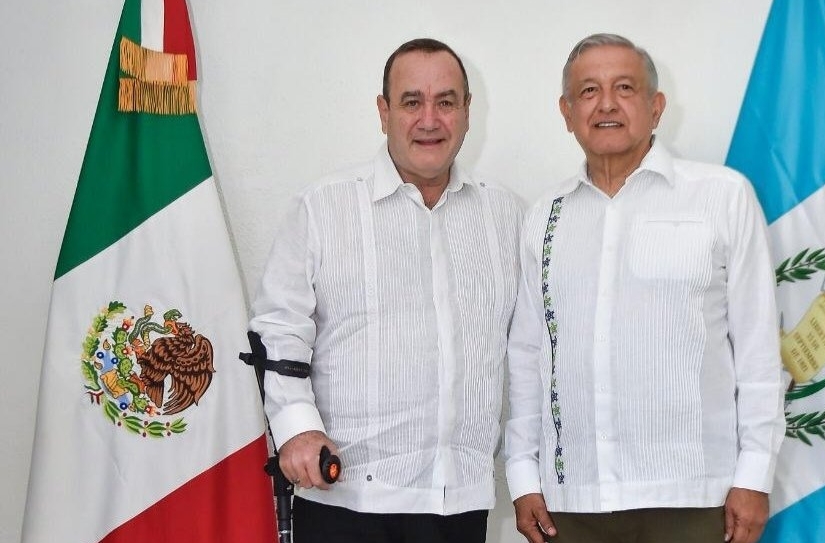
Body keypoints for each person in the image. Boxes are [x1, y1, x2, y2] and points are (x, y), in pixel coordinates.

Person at [505, 33, 784, 543]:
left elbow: (758, 350)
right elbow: (528, 354)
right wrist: (523, 476)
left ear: (656, 107)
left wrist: (755, 476)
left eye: (625, 88)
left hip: (695, 500)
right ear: (567, 112)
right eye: (589, 91)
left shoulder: (722, 197)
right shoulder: (544, 216)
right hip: (574, 503)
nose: (606, 104)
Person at [249, 38, 522, 543]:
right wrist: (297, 429)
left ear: (467, 111)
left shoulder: (506, 215)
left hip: (460, 504)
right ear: (384, 111)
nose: (429, 119)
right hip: (346, 500)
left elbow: (527, 352)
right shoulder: (323, 208)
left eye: (446, 101)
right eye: (412, 101)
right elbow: (278, 330)